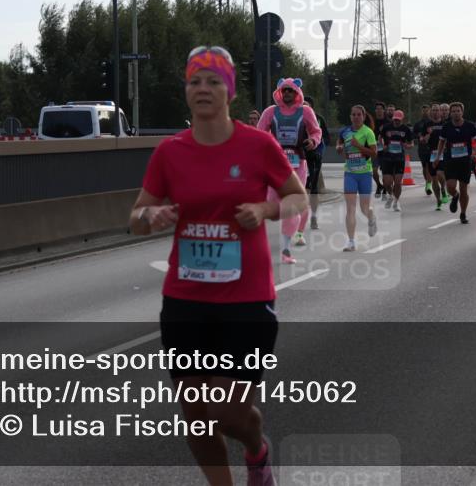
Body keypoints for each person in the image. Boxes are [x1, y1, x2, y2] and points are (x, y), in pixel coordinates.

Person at [129, 46, 307, 486]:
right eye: (194, 81)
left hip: (245, 299)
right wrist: (149, 218)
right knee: (195, 417)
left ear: (228, 90)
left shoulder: (258, 144)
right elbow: (135, 217)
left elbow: (299, 196)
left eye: (212, 81)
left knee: (228, 412)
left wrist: (264, 212)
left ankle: (256, 449)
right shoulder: (170, 152)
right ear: (186, 92)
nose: (203, 89)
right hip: (186, 298)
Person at [256, 78, 322, 264]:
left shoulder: (305, 111)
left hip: (297, 164)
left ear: (296, 93)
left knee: (291, 205)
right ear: (279, 92)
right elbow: (260, 133)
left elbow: (316, 131)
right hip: (275, 165)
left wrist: (313, 141)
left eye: (290, 91)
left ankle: (286, 249)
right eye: (284, 91)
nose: (287, 94)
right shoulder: (270, 112)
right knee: (272, 203)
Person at [336, 105, 379, 252]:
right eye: (353, 114)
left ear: (364, 116)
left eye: (358, 115)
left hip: (365, 174)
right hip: (350, 174)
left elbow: (374, 154)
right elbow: (340, 143)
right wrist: (339, 148)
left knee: (364, 208)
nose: (356, 117)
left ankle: (371, 217)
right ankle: (351, 241)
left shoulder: (368, 132)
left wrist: (358, 145)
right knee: (350, 209)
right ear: (350, 116)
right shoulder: (345, 131)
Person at [435, 102, 476, 224]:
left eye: (458, 111)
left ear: (462, 112)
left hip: (465, 161)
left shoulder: (470, 126)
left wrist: (475, 153)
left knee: (464, 189)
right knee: (450, 187)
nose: (455, 113)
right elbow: (441, 142)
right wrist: (438, 156)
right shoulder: (446, 127)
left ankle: (463, 213)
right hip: (451, 161)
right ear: (450, 113)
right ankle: (454, 196)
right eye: (453, 111)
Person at [302, 96, 329, 231]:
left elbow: (326, 138)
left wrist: (318, 151)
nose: (303, 107)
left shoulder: (318, 119)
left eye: (306, 105)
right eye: (301, 104)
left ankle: (313, 216)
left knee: (311, 187)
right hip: (298, 155)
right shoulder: (293, 116)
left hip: (314, 156)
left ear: (311, 108)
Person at [380, 110, 414, 211]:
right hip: (387, 157)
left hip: (399, 158)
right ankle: (390, 195)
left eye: (398, 120)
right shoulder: (386, 127)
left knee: (398, 183)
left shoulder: (406, 129)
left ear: (402, 119)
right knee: (387, 182)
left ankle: (396, 202)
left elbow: (411, 143)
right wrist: (383, 145)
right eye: (395, 119)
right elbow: (380, 137)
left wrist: (408, 146)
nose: (396, 122)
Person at [424, 104, 449, 209]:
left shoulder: (445, 124)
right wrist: (428, 134)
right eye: (433, 110)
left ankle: (443, 188)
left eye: (437, 110)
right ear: (431, 112)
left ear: (440, 112)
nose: (435, 112)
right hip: (431, 153)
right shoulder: (427, 124)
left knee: (440, 174)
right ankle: (438, 200)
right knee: (434, 178)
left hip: (443, 152)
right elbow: (424, 140)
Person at [412, 105, 434, 195]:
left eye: (427, 110)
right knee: (424, 167)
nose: (425, 112)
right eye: (423, 110)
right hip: (422, 147)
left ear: (429, 111)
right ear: (421, 111)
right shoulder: (418, 124)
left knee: (429, 166)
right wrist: (419, 136)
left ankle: (429, 184)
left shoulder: (432, 122)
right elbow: (413, 134)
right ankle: (427, 182)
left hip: (431, 147)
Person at [369, 102, 388, 199]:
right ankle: (379, 185)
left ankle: (385, 188)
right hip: (374, 149)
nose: (379, 110)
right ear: (375, 110)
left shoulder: (388, 122)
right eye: (377, 109)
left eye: (381, 108)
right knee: (374, 171)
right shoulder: (372, 122)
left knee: (385, 172)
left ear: (384, 110)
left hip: (385, 150)